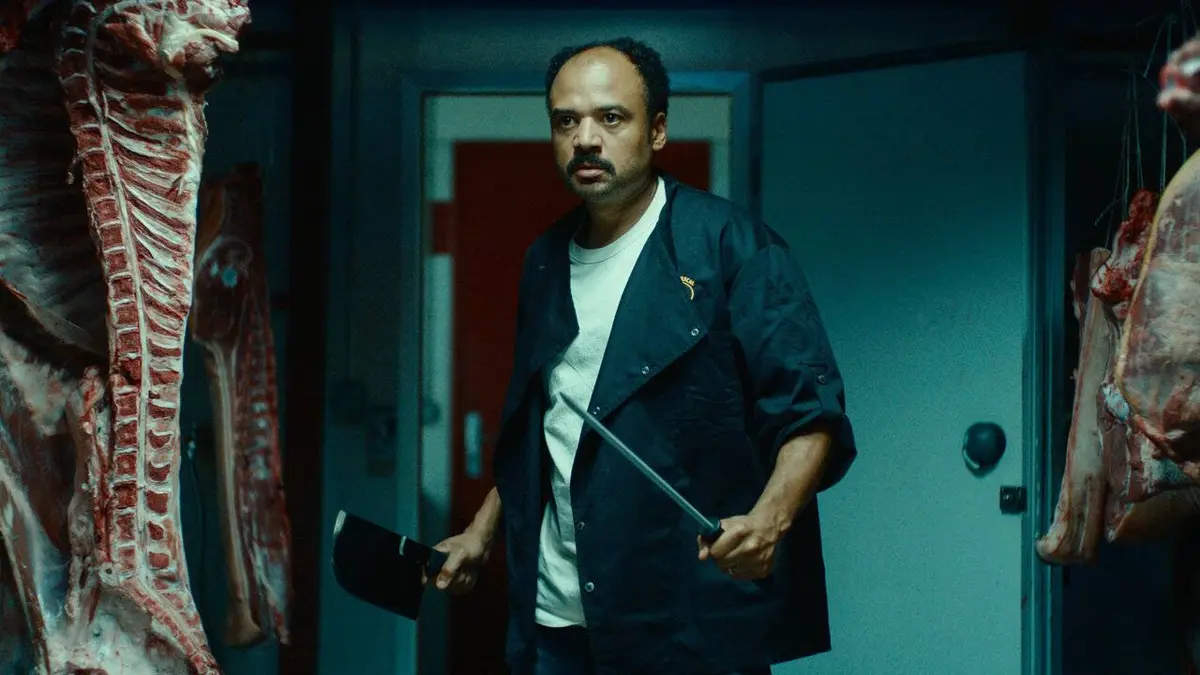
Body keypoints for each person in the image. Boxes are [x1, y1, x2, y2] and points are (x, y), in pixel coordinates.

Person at [429, 36, 858, 675]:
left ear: (656, 130)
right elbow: (547, 424)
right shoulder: (545, 260)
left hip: (685, 622)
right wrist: (480, 532)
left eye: (611, 117)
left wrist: (769, 522)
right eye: (566, 121)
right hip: (557, 619)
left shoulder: (733, 247)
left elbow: (810, 412)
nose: (585, 139)